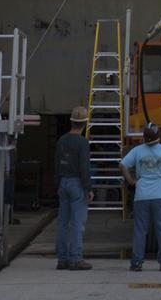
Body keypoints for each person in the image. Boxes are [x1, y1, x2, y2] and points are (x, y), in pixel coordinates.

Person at [120, 122, 161, 272]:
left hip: (141, 195)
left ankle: (136, 263)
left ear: (144, 137)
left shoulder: (137, 151)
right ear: (159, 136)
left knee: (140, 230)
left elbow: (123, 165)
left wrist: (131, 181)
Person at [55, 105, 94, 271]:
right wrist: (89, 188)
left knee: (63, 222)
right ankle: (76, 259)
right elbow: (84, 167)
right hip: (77, 184)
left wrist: (58, 183)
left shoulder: (62, 140)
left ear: (72, 121)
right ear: (85, 123)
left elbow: (56, 163)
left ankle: (62, 259)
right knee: (78, 223)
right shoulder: (83, 143)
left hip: (63, 182)